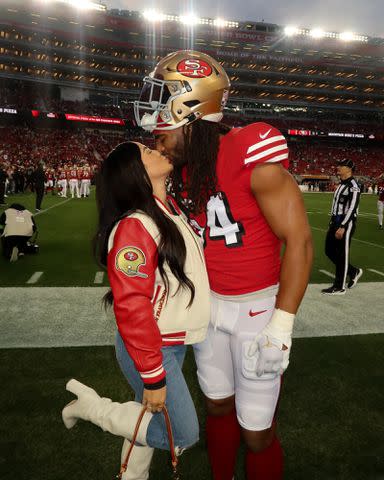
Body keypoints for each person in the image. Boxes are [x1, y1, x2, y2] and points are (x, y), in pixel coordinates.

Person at [135, 50, 313, 480]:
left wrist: (282, 325)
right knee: (216, 404)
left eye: (164, 107)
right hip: (208, 309)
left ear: (190, 108)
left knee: (257, 432)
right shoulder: (181, 171)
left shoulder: (250, 150)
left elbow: (300, 241)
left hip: (257, 309)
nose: (156, 127)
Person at [62, 142, 210, 479]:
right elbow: (131, 306)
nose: (156, 150)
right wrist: (153, 373)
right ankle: (93, 409)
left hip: (170, 341)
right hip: (151, 347)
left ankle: (132, 476)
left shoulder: (166, 210)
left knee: (151, 416)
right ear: (134, 172)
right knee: (183, 434)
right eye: (146, 152)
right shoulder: (134, 225)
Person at [322, 159, 362, 295]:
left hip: (346, 223)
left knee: (342, 254)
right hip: (335, 222)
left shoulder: (353, 185)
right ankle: (353, 271)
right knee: (329, 250)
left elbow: (352, 207)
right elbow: (335, 206)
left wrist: (343, 226)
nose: (338, 167)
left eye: (341, 165)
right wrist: (331, 223)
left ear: (349, 169)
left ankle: (339, 286)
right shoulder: (341, 184)